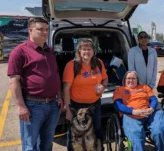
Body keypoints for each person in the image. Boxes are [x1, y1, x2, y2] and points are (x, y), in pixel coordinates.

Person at [7, 18, 63, 151]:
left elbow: (55, 75)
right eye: (40, 29)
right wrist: (21, 106)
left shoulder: (49, 51)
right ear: (30, 30)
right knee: (30, 145)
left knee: (47, 144)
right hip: (33, 106)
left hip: (52, 105)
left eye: (46, 29)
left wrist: (59, 96)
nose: (44, 32)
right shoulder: (19, 52)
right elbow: (13, 81)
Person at [63, 39, 108, 151]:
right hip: (77, 106)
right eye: (84, 49)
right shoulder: (72, 65)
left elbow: (105, 79)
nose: (87, 52)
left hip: (94, 104)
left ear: (93, 51)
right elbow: (66, 88)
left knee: (96, 130)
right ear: (79, 51)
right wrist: (68, 110)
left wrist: (102, 87)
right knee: (75, 133)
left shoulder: (98, 63)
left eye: (89, 49)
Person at [113, 71, 164, 151]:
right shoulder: (120, 90)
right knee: (136, 135)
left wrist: (151, 109)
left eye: (133, 78)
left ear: (137, 80)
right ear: (124, 80)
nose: (131, 80)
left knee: (159, 130)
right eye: (128, 78)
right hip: (131, 115)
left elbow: (154, 100)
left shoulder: (144, 87)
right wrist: (133, 111)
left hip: (149, 113)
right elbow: (118, 105)